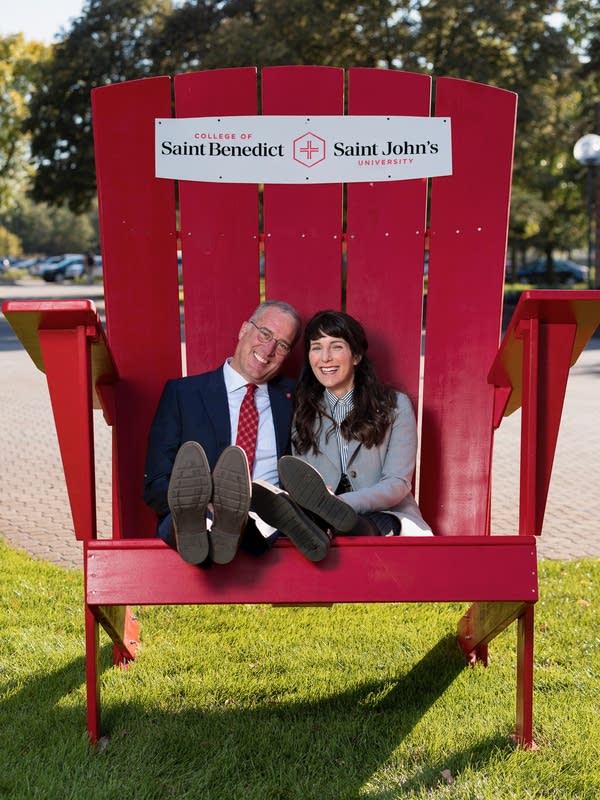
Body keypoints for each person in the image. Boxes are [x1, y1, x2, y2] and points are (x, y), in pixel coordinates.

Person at [143, 300, 333, 566]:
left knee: (260, 515)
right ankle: (202, 521)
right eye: (265, 334)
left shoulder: (297, 399)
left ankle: (230, 523)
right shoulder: (183, 394)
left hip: (264, 519)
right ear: (244, 329)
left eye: (282, 346)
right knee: (190, 516)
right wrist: (199, 505)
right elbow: (156, 481)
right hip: (193, 511)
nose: (267, 350)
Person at [255, 309, 432, 543]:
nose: (325, 357)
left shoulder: (395, 405)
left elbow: (397, 483)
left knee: (360, 524)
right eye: (316, 347)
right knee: (312, 522)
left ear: (356, 356)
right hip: (319, 516)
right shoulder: (302, 411)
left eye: (336, 346)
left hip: (383, 514)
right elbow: (303, 477)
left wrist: (341, 504)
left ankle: (329, 527)